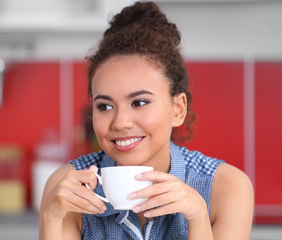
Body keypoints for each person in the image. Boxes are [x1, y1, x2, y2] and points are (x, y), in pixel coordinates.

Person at [39, 1, 254, 239]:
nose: (120, 122)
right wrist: (51, 216)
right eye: (105, 106)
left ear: (178, 109)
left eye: (139, 102)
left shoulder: (226, 187)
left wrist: (198, 217)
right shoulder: (66, 188)